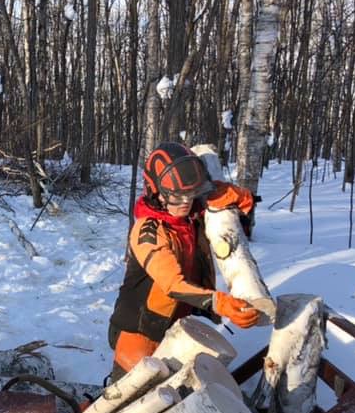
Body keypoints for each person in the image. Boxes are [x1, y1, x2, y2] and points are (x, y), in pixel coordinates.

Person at [107, 142, 259, 382]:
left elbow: (216, 195)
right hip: (141, 330)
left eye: (191, 195)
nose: (186, 203)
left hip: (176, 325)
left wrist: (241, 199)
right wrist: (217, 301)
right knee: (129, 400)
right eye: (178, 197)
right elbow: (172, 284)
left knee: (174, 394)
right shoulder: (148, 231)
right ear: (155, 192)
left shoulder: (191, 212)